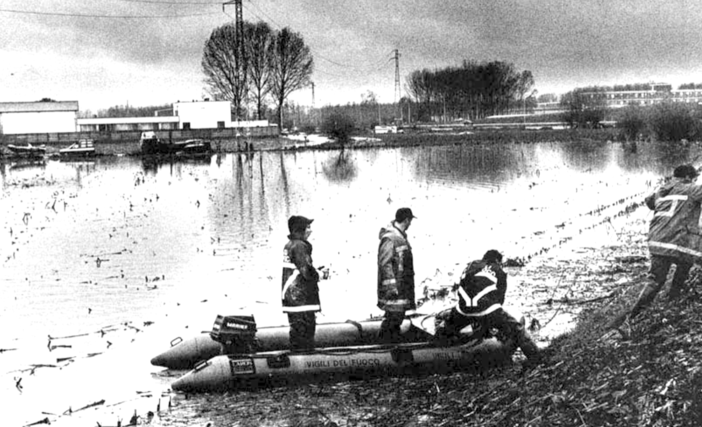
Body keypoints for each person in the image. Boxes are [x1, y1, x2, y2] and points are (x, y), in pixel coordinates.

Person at [435, 250, 541, 365]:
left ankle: (434, 348)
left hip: (463, 309)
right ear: (497, 261)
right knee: (517, 329)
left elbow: (463, 285)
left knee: (447, 330)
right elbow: (499, 301)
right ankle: (537, 359)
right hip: (487, 309)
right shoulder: (499, 271)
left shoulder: (471, 265)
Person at [628, 164, 702, 319]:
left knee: (655, 280)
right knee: (685, 265)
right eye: (694, 178)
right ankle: (672, 301)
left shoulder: (662, 190)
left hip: (656, 241)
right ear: (688, 177)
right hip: (679, 241)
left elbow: (649, 201)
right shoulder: (692, 189)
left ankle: (633, 316)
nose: (694, 181)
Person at [377, 207, 417, 343]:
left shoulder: (399, 236)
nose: (410, 224)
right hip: (395, 291)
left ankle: (391, 342)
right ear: (406, 220)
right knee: (394, 318)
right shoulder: (390, 238)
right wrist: (391, 288)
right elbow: (385, 264)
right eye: (410, 221)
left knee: (397, 317)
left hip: (402, 288)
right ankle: (387, 346)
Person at [282, 215, 321, 350]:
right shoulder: (300, 246)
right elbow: (306, 272)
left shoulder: (290, 245)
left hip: (292, 299)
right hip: (301, 301)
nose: (310, 231)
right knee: (305, 336)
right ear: (300, 230)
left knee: (297, 333)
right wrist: (320, 274)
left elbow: (298, 268)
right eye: (308, 227)